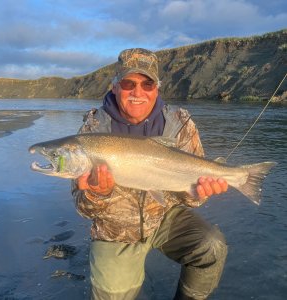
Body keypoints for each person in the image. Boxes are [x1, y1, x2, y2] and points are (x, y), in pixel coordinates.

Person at [71, 48, 228, 300]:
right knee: (112, 294)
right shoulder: (93, 130)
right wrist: (97, 194)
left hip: (165, 215)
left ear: (157, 88)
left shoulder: (181, 122)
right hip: (115, 230)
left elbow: (192, 199)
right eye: (128, 83)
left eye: (147, 84)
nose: (138, 92)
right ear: (114, 87)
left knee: (211, 246)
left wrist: (198, 193)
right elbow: (83, 208)